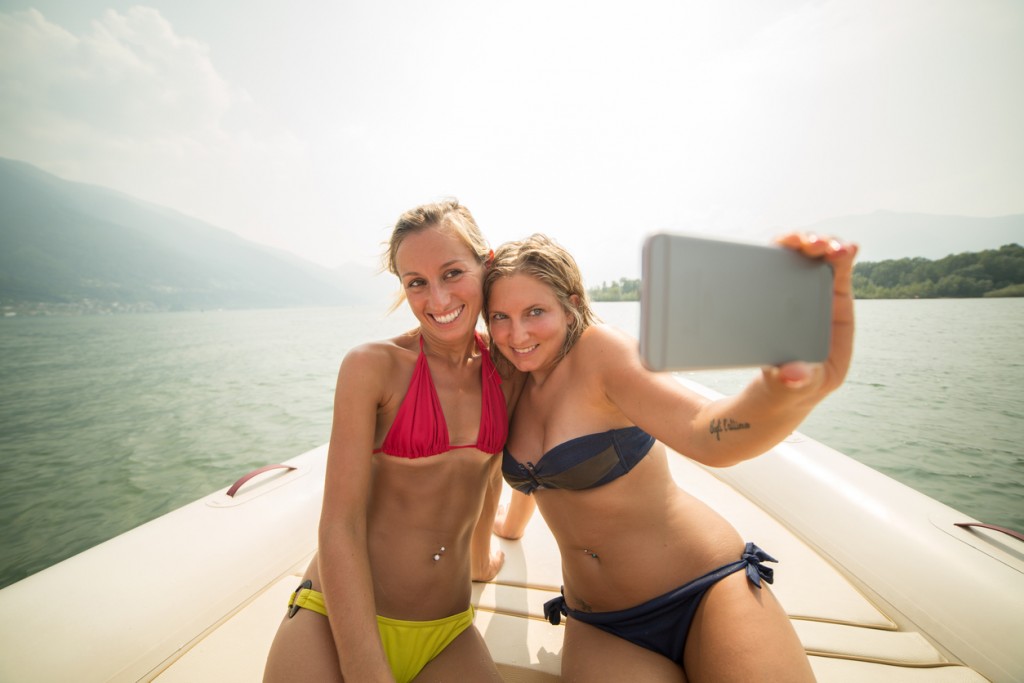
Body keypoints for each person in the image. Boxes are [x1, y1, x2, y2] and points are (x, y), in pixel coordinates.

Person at [485, 232, 857, 682]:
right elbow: (538, 476)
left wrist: (780, 393)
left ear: (571, 305)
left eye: (535, 312)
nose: (516, 333)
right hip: (604, 624)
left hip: (703, 591)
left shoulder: (600, 353)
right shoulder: (512, 379)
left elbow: (707, 431)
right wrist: (509, 526)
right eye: (500, 316)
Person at [263, 200, 519, 683]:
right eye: (416, 282)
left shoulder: (508, 370)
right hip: (334, 620)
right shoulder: (372, 367)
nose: (438, 299)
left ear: (486, 265)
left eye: (452, 273)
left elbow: (487, 475)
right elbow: (339, 523)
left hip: (445, 630)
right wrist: (366, 671)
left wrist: (482, 555)